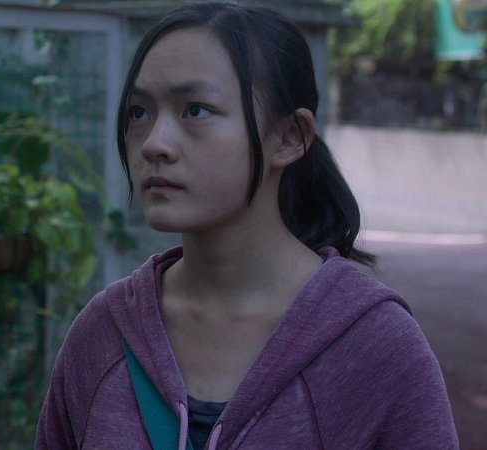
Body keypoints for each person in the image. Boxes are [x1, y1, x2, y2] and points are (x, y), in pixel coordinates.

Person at [36, 2, 458, 449]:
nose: (154, 143)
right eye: (139, 112)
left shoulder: (376, 347)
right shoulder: (102, 335)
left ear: (290, 137)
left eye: (195, 110)